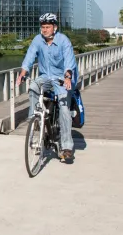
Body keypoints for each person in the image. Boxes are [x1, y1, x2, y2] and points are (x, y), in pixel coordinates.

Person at [15, 13, 78, 161]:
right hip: (46, 77)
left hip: (63, 78)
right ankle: (34, 120)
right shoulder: (38, 40)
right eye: (43, 27)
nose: (44, 30)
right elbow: (29, 57)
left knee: (63, 108)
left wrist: (68, 76)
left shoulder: (63, 41)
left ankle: (67, 146)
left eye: (48, 27)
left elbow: (69, 61)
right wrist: (22, 74)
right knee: (33, 87)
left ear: (54, 28)